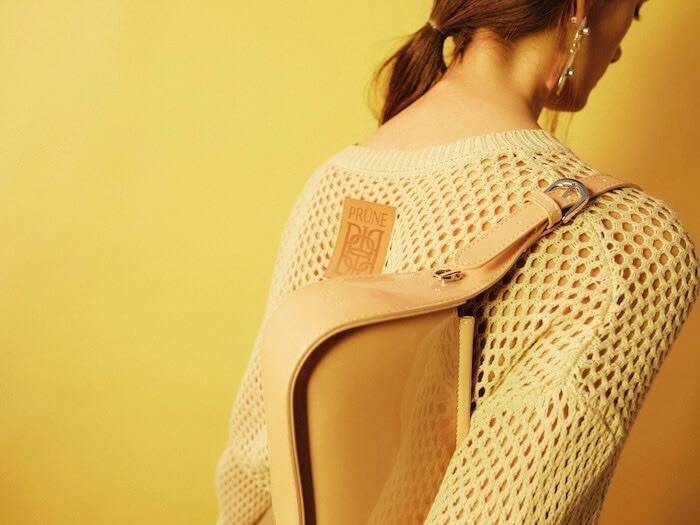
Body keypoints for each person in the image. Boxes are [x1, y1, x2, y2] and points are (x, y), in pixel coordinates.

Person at [215, 0, 698, 523]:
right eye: (636, 10)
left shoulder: (334, 183)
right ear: (580, 7)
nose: (622, 48)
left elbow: (251, 474)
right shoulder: (623, 244)